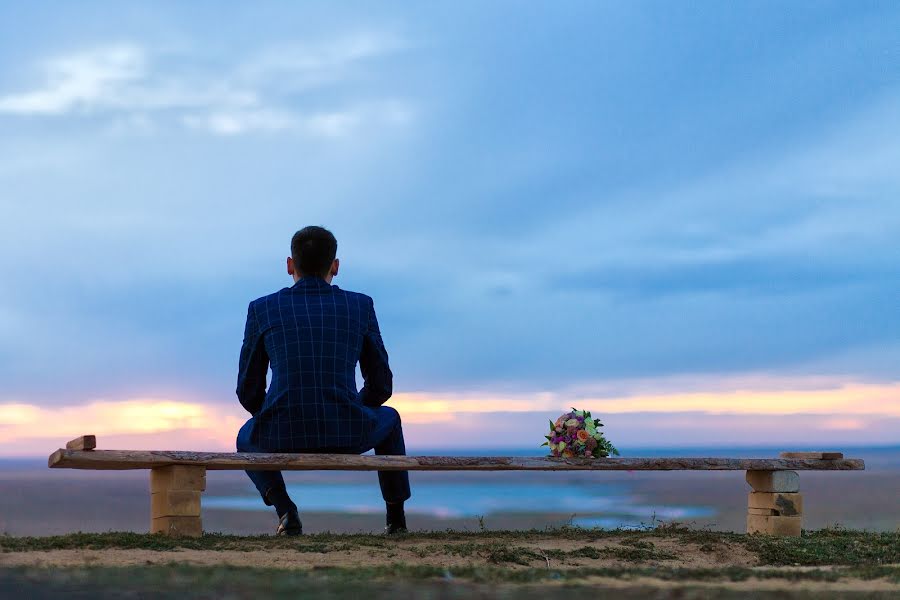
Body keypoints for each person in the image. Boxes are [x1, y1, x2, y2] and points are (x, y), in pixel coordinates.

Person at [235, 226, 410, 536]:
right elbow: (381, 385)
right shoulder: (361, 306)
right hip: (349, 431)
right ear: (335, 266)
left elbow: (248, 391)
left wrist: (274, 413)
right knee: (391, 419)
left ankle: (286, 510)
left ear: (290, 265)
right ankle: (395, 519)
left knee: (246, 436)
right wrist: (352, 408)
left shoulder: (261, 309)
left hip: (281, 432)